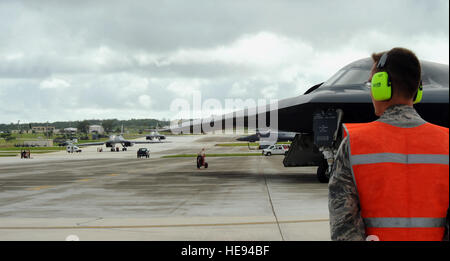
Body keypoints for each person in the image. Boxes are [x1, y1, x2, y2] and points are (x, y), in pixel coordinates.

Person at [328, 47, 449, 241]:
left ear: (380, 86)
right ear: (417, 90)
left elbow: (343, 225)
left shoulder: (354, 143)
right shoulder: (447, 142)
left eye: (371, 84)